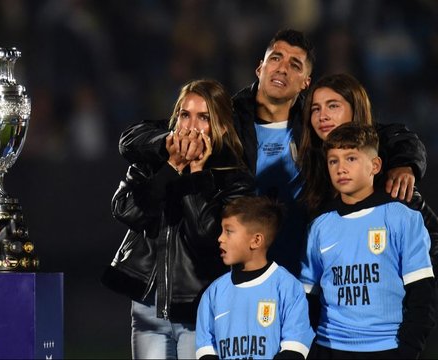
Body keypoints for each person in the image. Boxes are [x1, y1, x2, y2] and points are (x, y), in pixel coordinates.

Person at [118, 30, 427, 277]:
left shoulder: (316, 124)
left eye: (295, 64)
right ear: (260, 67)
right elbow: (134, 137)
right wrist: (170, 142)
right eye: (275, 58)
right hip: (236, 271)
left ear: (305, 82)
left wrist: (405, 163)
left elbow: (384, 134)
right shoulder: (228, 118)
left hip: (302, 269)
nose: (282, 67)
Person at [102, 79, 255, 359]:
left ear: (220, 125)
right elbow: (127, 211)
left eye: (204, 117)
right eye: (185, 115)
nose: (191, 126)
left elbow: (207, 237)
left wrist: (195, 176)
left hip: (199, 311)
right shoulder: (155, 161)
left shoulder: (234, 178)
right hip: (148, 308)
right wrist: (171, 167)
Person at [300, 122, 436, 359]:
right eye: (334, 161)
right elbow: (307, 300)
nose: (341, 168)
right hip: (328, 348)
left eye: (350, 159)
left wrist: (407, 350)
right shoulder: (320, 226)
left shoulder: (403, 217)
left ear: (375, 165)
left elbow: (422, 296)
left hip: (386, 348)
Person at [298, 73, 438, 275]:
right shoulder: (311, 166)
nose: (323, 116)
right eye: (315, 109)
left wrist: (406, 165)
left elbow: (403, 139)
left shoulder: (390, 169)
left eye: (333, 105)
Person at [195, 195, 314, 360]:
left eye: (228, 231)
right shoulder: (213, 293)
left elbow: (295, 348)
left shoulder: (287, 286)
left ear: (256, 240)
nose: (220, 238)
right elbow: (205, 350)